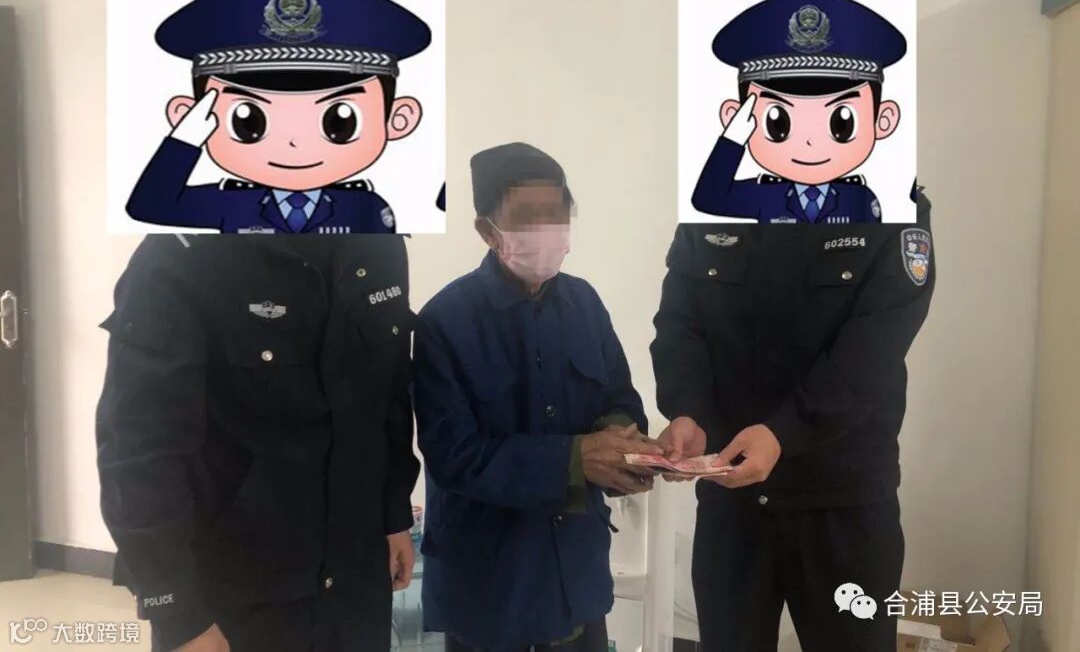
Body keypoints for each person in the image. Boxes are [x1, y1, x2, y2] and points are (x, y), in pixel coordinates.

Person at [96, 233, 420, 651]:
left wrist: (393, 516)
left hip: (357, 580)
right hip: (238, 591)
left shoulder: (379, 242)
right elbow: (137, 444)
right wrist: (177, 612)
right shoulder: (180, 252)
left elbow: (390, 394)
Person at [653, 178, 935, 650]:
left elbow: (875, 345)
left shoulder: (891, 203)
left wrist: (784, 432)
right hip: (735, 500)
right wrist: (688, 410)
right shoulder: (716, 199)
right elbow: (681, 320)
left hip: (842, 503)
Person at [413, 142, 658, 651]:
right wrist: (575, 460)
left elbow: (620, 396)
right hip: (490, 587)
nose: (547, 228)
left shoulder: (585, 304)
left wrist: (622, 442)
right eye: (528, 216)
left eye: (558, 212)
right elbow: (452, 456)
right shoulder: (445, 321)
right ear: (487, 231)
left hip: (576, 576)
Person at [126, 0, 432, 233]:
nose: (294, 142)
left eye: (339, 123)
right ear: (186, 115)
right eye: (248, 123)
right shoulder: (230, 202)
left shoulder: (365, 206)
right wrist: (183, 141)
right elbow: (149, 206)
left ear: (398, 118)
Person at [691, 0, 909, 224]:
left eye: (842, 125)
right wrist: (732, 140)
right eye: (778, 124)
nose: (810, 142)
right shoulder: (765, 195)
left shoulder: (858, 197)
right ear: (733, 116)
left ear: (883, 119)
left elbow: (871, 245)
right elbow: (708, 199)